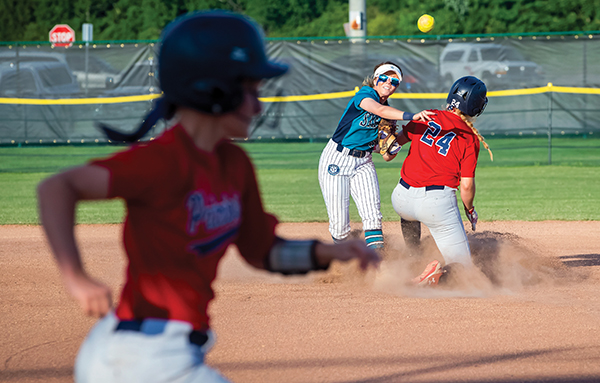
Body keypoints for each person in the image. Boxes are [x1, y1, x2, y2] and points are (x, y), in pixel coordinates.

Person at [37, 11, 380, 383]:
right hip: (140, 356)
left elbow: (262, 251)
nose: (258, 106)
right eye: (248, 90)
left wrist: (331, 251)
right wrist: (76, 277)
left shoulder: (234, 164)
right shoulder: (163, 161)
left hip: (172, 351)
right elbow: (58, 187)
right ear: (211, 90)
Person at [389, 75, 493, 286]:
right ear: (476, 107)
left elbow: (392, 147)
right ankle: (433, 276)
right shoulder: (469, 137)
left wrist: (384, 135)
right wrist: (470, 210)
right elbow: (466, 186)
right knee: (463, 270)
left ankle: (412, 257)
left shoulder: (426, 116)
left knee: (409, 214)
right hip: (436, 204)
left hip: (401, 197)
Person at [318, 62, 434, 251]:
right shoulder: (365, 94)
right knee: (339, 227)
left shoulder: (388, 112)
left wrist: (398, 140)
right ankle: (344, 264)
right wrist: (412, 116)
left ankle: (377, 268)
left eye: (394, 81)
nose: (389, 82)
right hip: (338, 159)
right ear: (375, 79)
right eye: (384, 78)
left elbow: (387, 156)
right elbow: (378, 110)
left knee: (373, 217)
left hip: (363, 162)